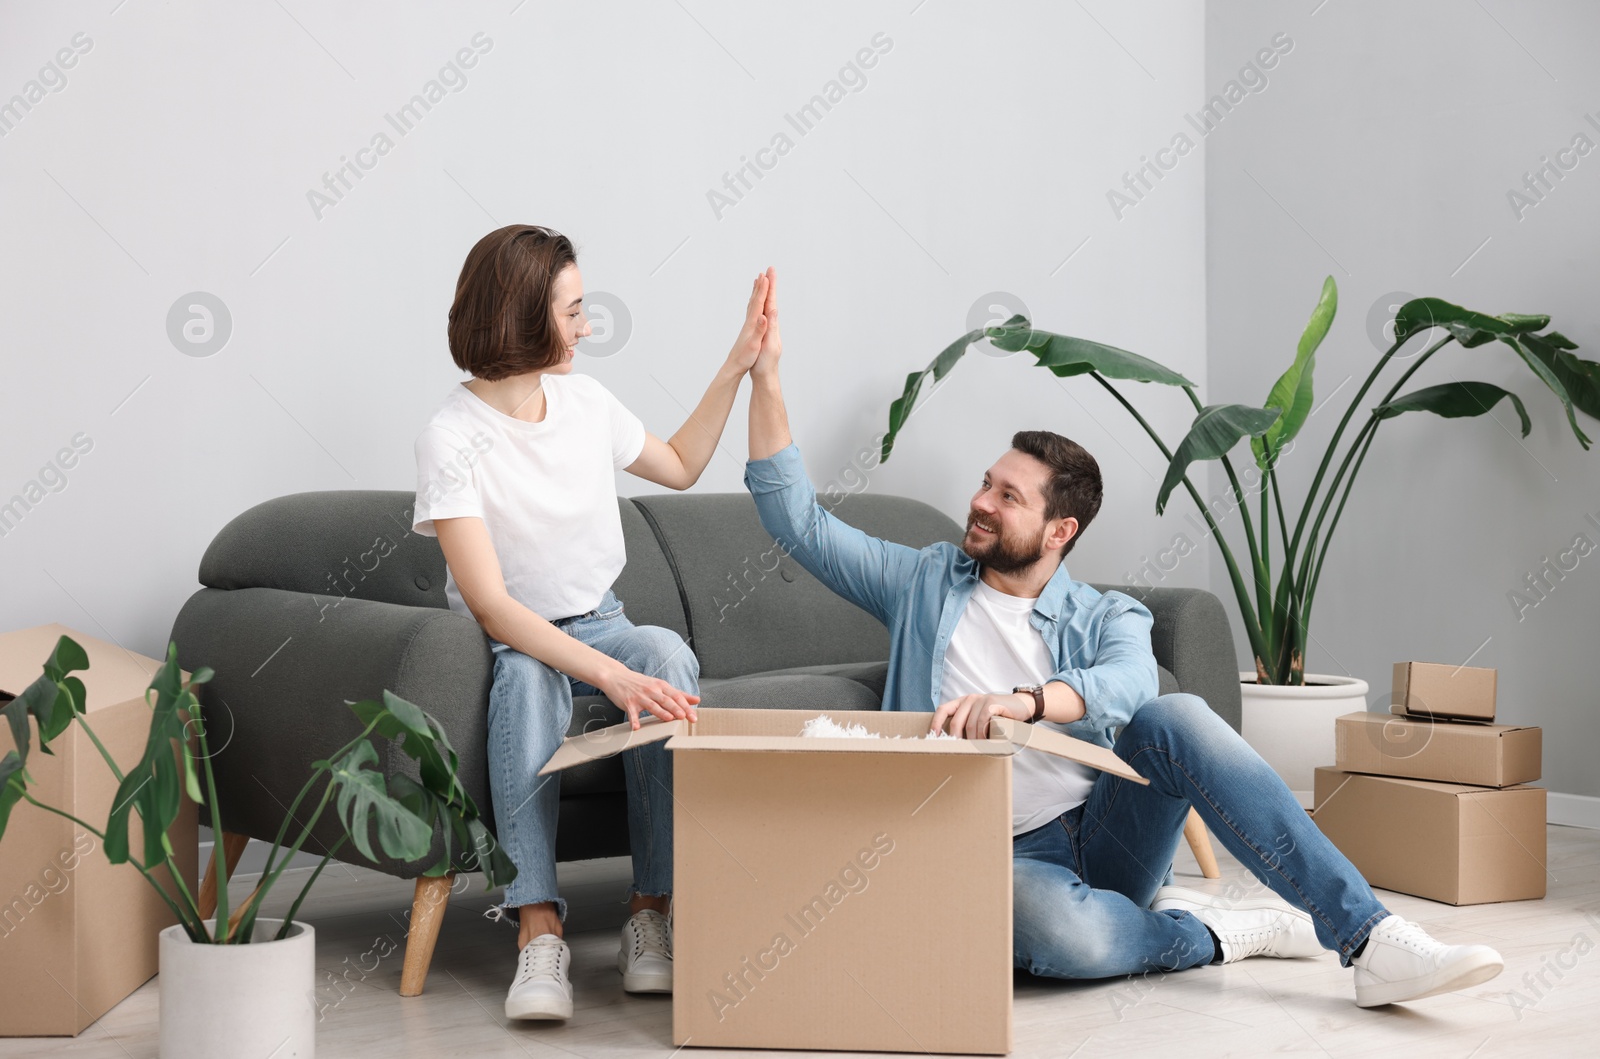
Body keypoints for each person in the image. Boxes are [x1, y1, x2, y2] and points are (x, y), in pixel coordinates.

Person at [739, 272, 1504, 1006]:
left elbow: (1131, 689)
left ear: (1059, 529)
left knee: (1177, 717)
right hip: (993, 854)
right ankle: (1205, 930)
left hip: (1108, 832)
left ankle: (1373, 940)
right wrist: (766, 376)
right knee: (1053, 934)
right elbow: (795, 520)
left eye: (1007, 496)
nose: (978, 502)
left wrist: (1028, 701)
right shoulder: (922, 582)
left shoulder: (1109, 616)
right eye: (985, 482)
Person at [412, 225, 771, 1020]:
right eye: (573, 311)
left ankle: (651, 910)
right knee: (531, 684)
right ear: (520, 316)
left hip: (602, 619)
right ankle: (538, 926)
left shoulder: (584, 401)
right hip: (514, 636)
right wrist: (602, 672)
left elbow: (679, 464)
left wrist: (735, 367)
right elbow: (491, 605)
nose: (585, 328)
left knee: (669, 657)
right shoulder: (452, 436)